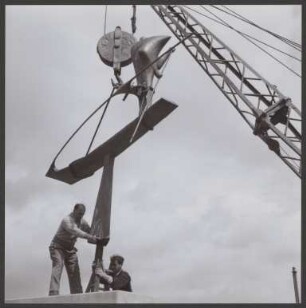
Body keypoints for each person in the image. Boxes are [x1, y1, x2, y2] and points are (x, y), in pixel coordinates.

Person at [48, 203, 99, 296]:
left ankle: (77, 294)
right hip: (57, 247)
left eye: (82, 214)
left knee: (74, 271)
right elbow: (76, 231)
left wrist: (98, 235)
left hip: (70, 249)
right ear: (74, 210)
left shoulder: (82, 222)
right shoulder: (67, 220)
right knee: (58, 265)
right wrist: (90, 237)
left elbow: (90, 230)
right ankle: (53, 292)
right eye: (79, 213)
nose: (81, 216)